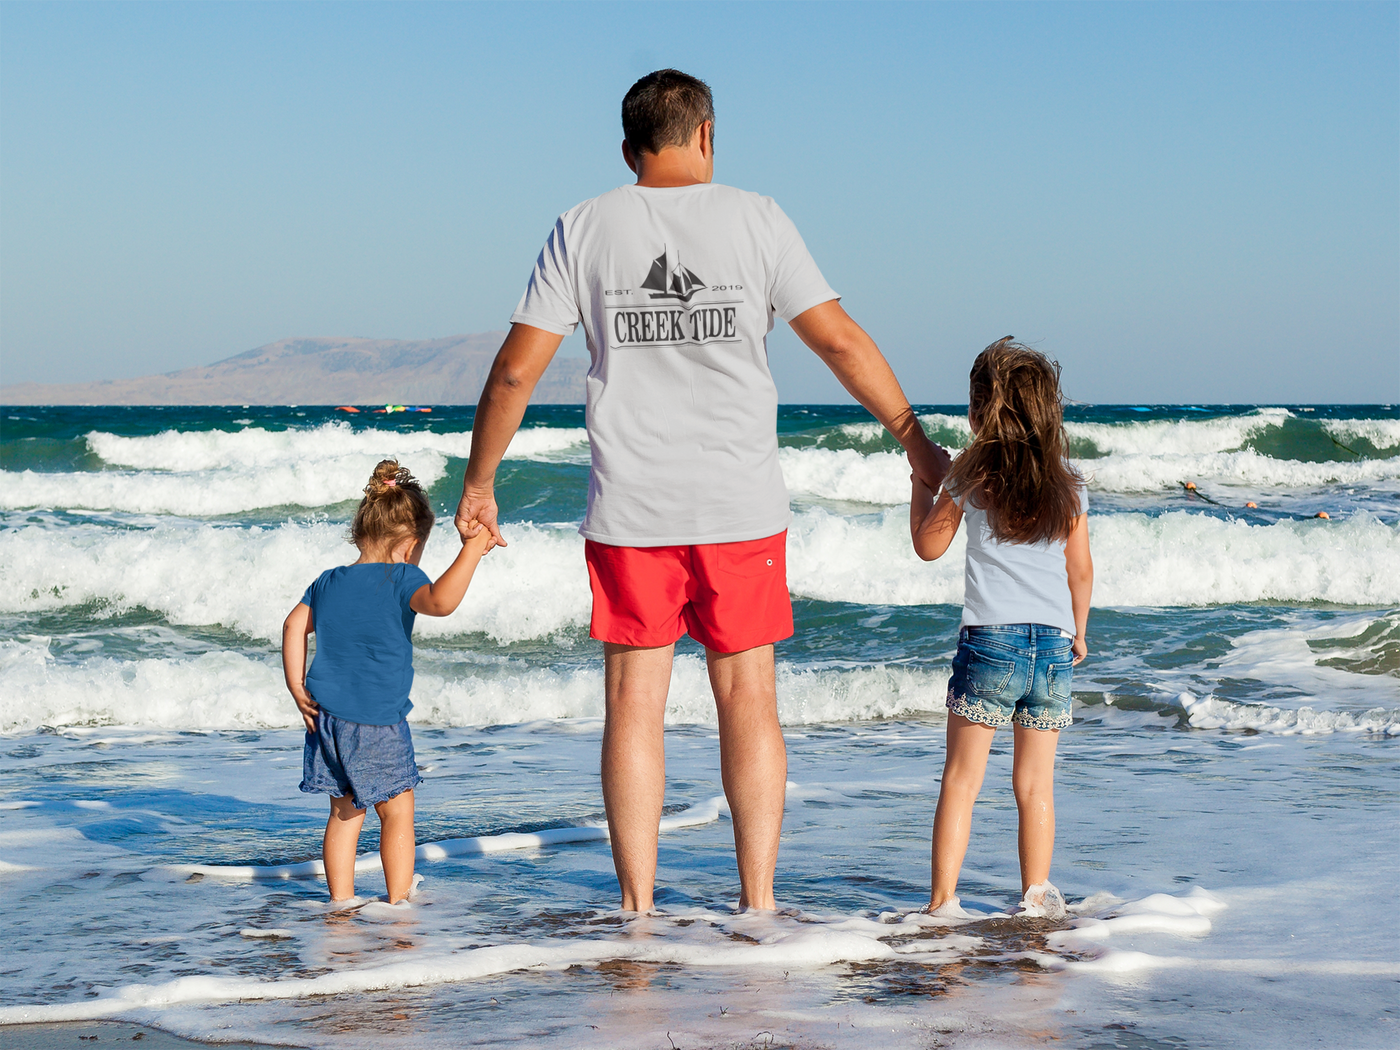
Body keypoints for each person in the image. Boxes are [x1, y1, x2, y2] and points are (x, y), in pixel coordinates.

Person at [456, 69, 951, 913]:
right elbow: (836, 341)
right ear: (708, 135)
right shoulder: (758, 219)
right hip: (739, 505)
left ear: (627, 150)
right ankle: (757, 903)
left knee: (632, 701)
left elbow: (513, 372)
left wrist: (480, 483)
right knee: (748, 693)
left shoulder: (581, 228)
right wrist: (917, 443)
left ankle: (639, 912)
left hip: (630, 510)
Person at [909, 337, 1093, 919]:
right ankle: (1036, 894)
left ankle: (943, 903)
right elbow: (1080, 571)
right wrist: (1078, 632)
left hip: (991, 641)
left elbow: (928, 546)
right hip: (1054, 647)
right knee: (1036, 784)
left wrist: (922, 484)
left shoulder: (971, 474)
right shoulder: (1068, 485)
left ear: (981, 410)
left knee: (962, 778)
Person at [283, 459, 494, 904]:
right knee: (397, 812)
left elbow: (291, 626)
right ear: (409, 545)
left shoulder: (326, 582)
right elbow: (441, 603)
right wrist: (471, 551)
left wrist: (296, 686)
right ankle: (398, 901)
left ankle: (340, 904)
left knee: (344, 812)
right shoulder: (402, 577)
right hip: (376, 720)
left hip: (327, 718)